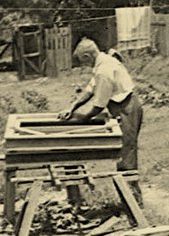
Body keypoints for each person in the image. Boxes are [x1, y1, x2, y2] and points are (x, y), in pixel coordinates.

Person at [58, 38, 144, 203]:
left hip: (127, 108)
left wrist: (82, 119)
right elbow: (90, 89)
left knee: (126, 157)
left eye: (83, 61)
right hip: (121, 106)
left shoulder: (104, 69)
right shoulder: (101, 63)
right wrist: (73, 107)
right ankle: (130, 201)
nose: (84, 65)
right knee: (124, 154)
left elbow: (98, 105)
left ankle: (134, 204)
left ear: (87, 55)